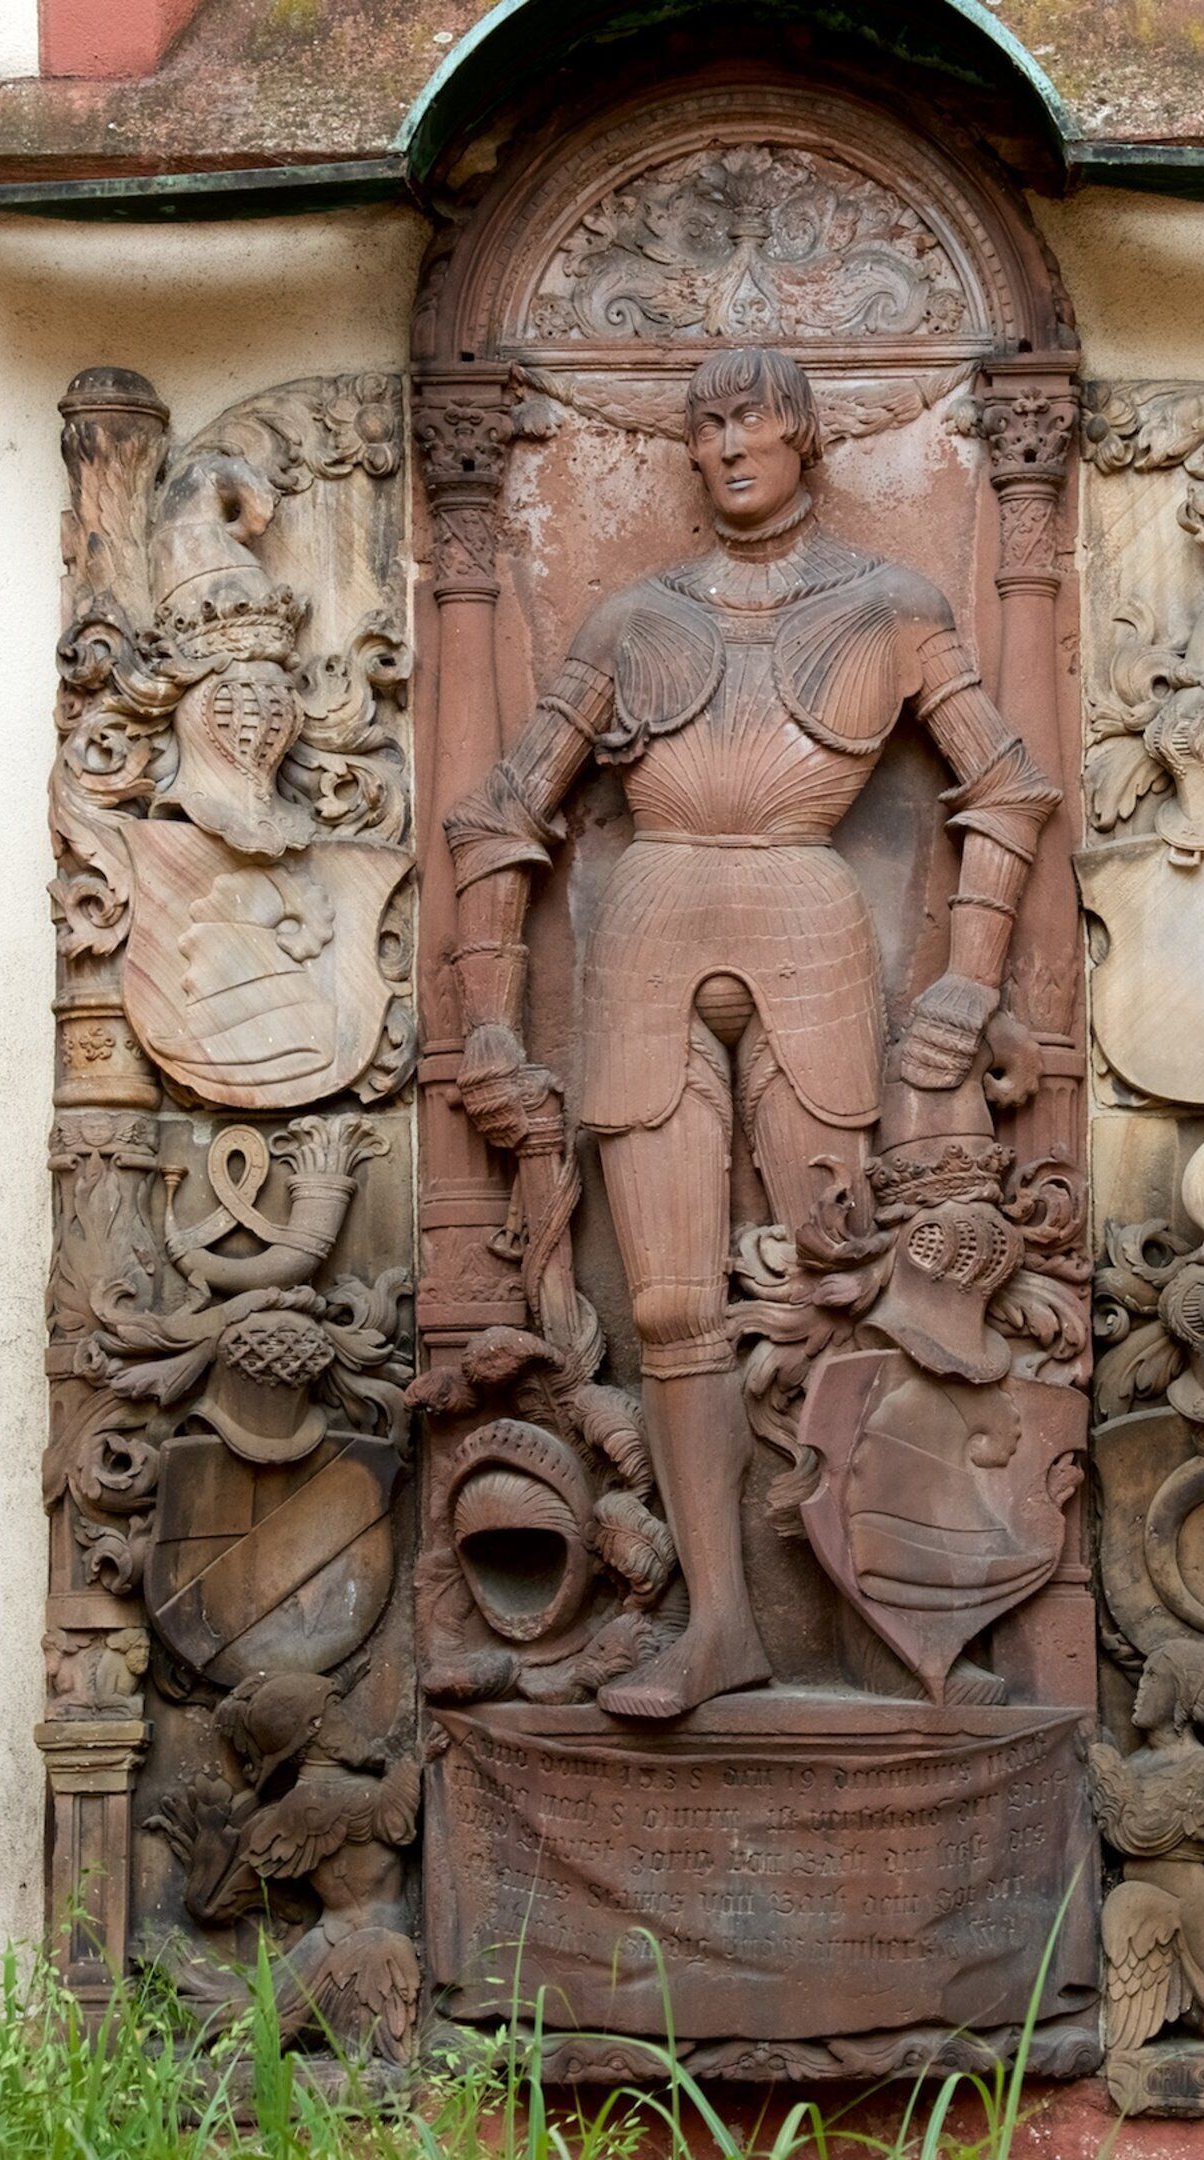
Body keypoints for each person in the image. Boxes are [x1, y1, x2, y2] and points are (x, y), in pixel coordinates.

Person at [440, 345, 1059, 1719]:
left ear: (803, 442)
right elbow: (502, 814)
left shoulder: (891, 607)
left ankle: (894, 1628)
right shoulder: (629, 621)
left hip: (806, 920)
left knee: (842, 1285)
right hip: (651, 932)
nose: (727, 451)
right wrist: (487, 1025)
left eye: (752, 426)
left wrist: (966, 979)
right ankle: (722, 1624)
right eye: (705, 429)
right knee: (668, 1304)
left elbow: (1007, 790)